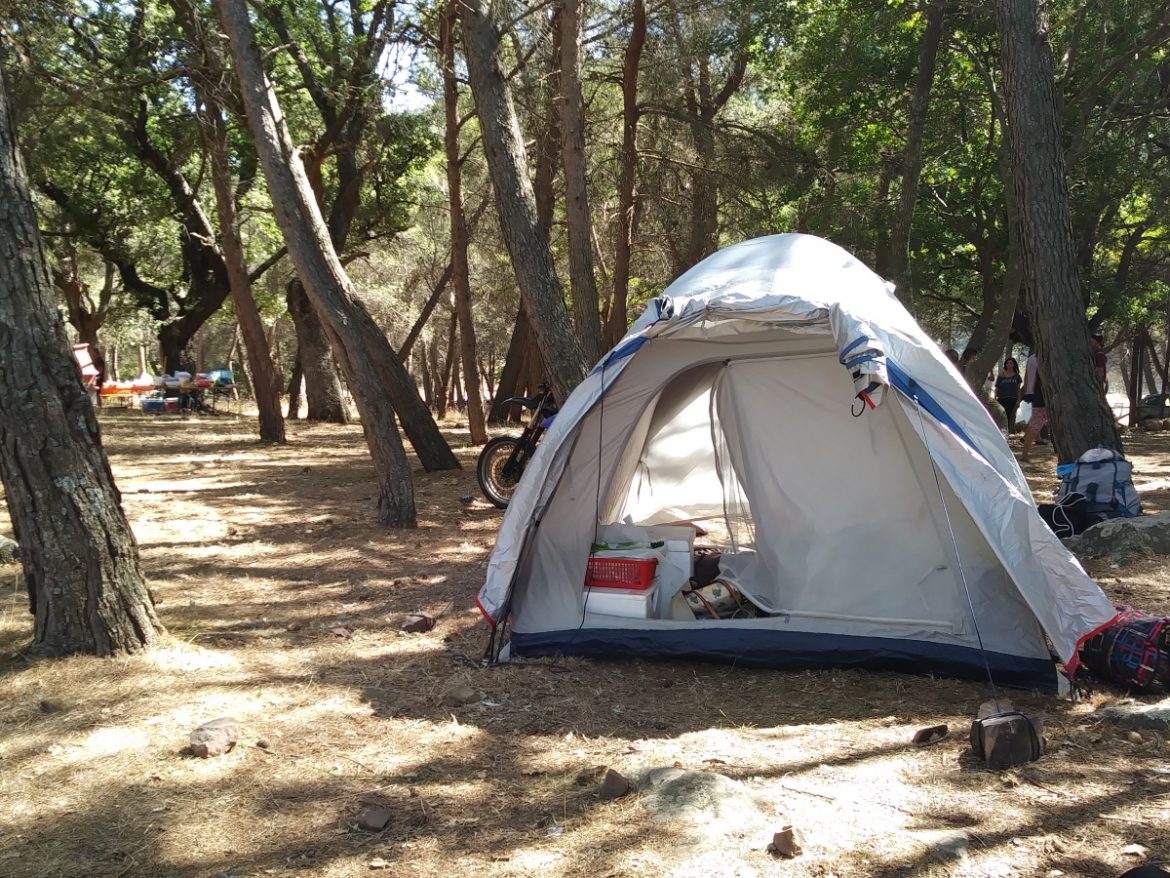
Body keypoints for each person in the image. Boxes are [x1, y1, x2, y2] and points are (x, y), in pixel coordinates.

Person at [1021, 352, 1046, 460]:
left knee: (1034, 423)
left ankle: (1025, 452)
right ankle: (1025, 454)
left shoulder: (1031, 358)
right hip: (1041, 395)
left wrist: (1027, 391)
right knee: (1036, 423)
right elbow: (1036, 377)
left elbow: (1027, 376)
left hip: (1035, 393)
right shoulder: (1044, 357)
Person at [995, 357, 1022, 433]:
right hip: (1001, 398)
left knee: (1008, 416)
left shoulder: (1017, 376)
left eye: (1011, 363)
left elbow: (1018, 389)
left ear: (1014, 365)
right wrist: (995, 398)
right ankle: (998, 431)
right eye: (1007, 363)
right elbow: (997, 387)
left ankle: (1005, 432)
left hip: (1012, 399)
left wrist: (1018, 400)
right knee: (1000, 415)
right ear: (1005, 365)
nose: (1009, 364)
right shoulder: (1001, 375)